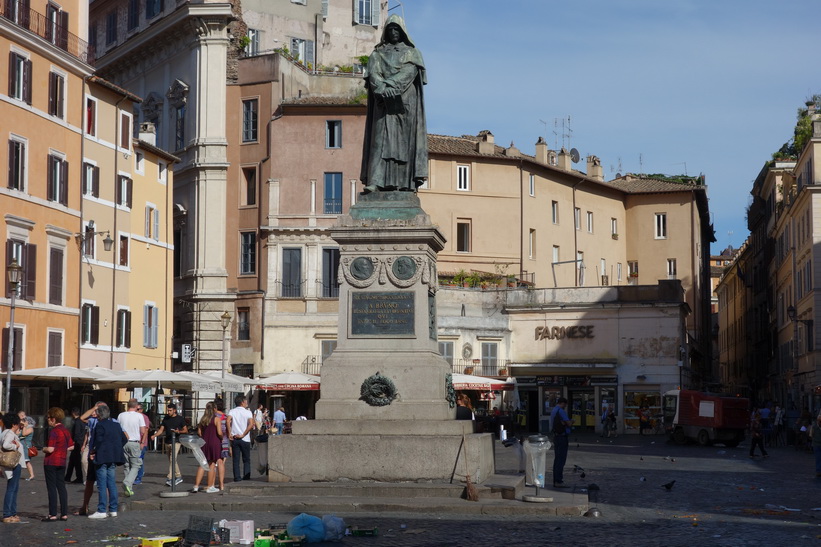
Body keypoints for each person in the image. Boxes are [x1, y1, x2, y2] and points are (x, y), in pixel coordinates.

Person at [360, 14, 428, 193]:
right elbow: (373, 74)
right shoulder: (377, 53)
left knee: (404, 144)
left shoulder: (412, 53)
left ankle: (405, 184)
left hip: (405, 103)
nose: (393, 32)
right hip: (382, 102)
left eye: (396, 29)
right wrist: (382, 88)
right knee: (379, 141)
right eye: (390, 29)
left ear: (402, 31)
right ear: (386, 32)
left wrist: (390, 84)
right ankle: (375, 181)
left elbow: (409, 72)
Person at [88, 404, 125, 519]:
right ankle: (113, 509)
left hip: (103, 457)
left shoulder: (100, 425)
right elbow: (124, 439)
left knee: (102, 484)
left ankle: (102, 509)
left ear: (99, 414)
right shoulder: (116, 425)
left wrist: (93, 451)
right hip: (113, 457)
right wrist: (115, 448)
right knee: (112, 484)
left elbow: (98, 441)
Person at [42, 407, 73, 522]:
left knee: (51, 488)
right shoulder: (65, 430)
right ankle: (64, 513)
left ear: (53, 419)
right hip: (62, 461)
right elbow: (71, 446)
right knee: (61, 487)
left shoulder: (54, 431)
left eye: (49, 418)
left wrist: (43, 449)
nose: (47, 420)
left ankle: (53, 514)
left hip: (51, 462)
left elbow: (50, 449)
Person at [75, 401, 104, 516]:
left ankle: (105, 507)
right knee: (84, 463)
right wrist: (94, 408)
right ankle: (85, 506)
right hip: (91, 447)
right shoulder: (92, 421)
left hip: (100, 450)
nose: (95, 412)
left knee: (105, 482)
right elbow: (82, 418)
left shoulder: (111, 421)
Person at [150, 403, 187, 486]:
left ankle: (169, 478)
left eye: (170, 410)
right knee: (172, 461)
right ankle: (178, 476)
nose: (168, 412)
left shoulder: (180, 419)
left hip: (176, 441)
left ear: (174, 410)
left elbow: (185, 430)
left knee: (172, 459)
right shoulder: (166, 419)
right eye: (168, 410)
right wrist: (155, 435)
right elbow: (161, 429)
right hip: (167, 441)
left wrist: (178, 431)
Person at [117, 399, 146, 497]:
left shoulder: (121, 415)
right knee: (136, 465)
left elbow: (118, 428)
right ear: (137, 406)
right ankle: (127, 483)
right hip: (134, 442)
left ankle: (128, 489)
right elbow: (142, 431)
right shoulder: (139, 416)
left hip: (123, 443)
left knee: (126, 465)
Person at [191, 402, 221, 494]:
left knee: (202, 463)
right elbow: (219, 432)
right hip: (214, 442)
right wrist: (222, 438)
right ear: (214, 409)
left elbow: (199, 433)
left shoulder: (203, 420)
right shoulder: (216, 419)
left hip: (204, 443)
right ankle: (209, 486)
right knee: (212, 463)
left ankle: (196, 486)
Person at [1, 412, 25, 523]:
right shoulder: (10, 433)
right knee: (12, 489)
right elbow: (6, 445)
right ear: (14, 424)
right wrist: (16, 445)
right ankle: (8, 514)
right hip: (13, 464)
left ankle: (12, 513)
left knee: (13, 488)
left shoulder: (3, 433)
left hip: (8, 464)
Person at [228, 395, 254, 481]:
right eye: (246, 401)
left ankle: (237, 477)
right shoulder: (248, 412)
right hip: (245, 439)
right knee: (246, 459)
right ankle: (246, 476)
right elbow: (251, 424)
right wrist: (243, 434)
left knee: (236, 459)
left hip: (234, 437)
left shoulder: (232, 411)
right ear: (242, 402)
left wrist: (229, 433)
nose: (247, 403)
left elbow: (227, 421)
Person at [550, 397, 572, 488]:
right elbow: (569, 423)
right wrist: (571, 421)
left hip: (556, 436)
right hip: (562, 436)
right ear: (563, 403)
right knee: (561, 459)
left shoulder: (554, 410)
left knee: (557, 458)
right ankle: (558, 480)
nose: (565, 407)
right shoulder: (561, 411)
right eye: (565, 405)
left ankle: (556, 480)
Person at [64, 408, 85, 484]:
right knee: (72, 461)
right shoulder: (80, 422)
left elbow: (76, 434)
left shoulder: (77, 422)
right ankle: (68, 477)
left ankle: (78, 478)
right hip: (78, 443)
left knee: (76, 461)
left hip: (76, 443)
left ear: (73, 413)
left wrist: (73, 442)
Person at [214, 399, 231, 490]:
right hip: (224, 441)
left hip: (214, 440)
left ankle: (211, 483)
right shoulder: (226, 417)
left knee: (212, 463)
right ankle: (221, 484)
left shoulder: (212, 417)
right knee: (221, 463)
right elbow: (228, 430)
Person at [133, 403, 150, 485]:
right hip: (134, 441)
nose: (136, 411)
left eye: (138, 409)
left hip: (142, 442)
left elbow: (146, 430)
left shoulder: (144, 417)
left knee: (139, 460)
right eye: (136, 409)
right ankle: (137, 475)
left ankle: (139, 477)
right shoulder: (133, 417)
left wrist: (142, 442)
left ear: (141, 410)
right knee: (135, 460)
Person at [17, 410, 35, 481]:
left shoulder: (30, 428)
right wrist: (19, 426)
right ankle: (17, 474)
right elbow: (17, 434)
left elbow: (24, 434)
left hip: (26, 447)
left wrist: (24, 426)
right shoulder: (21, 427)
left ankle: (32, 475)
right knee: (19, 461)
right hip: (21, 446)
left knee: (27, 461)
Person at [812, 413, 821, 478]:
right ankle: (818, 471)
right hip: (817, 444)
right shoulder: (814, 427)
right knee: (818, 458)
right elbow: (811, 435)